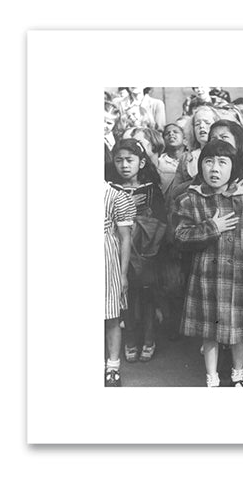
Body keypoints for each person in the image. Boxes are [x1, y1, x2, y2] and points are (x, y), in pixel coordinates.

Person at [173, 139, 243, 387]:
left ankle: (238, 376)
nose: (215, 168)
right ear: (200, 166)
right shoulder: (190, 200)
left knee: (238, 332)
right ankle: (211, 377)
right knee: (209, 332)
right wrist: (212, 227)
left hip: (237, 277)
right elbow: (181, 237)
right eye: (209, 162)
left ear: (233, 168)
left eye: (222, 163)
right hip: (204, 279)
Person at [110, 139, 166, 366]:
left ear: (141, 163)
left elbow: (161, 220)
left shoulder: (152, 190)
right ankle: (130, 339)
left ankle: (149, 338)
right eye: (119, 160)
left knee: (148, 296)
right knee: (126, 297)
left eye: (129, 160)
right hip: (119, 251)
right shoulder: (109, 188)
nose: (124, 165)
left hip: (146, 252)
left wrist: (142, 224)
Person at [104, 181, 135, 387]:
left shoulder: (113, 195)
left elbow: (125, 238)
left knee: (111, 314)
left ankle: (112, 366)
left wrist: (123, 274)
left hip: (106, 261)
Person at [168, 105, 220, 199]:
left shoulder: (226, 154)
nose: (202, 126)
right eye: (197, 124)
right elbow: (174, 192)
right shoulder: (186, 158)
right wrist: (197, 180)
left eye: (207, 123)